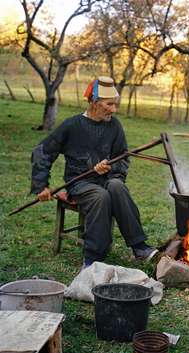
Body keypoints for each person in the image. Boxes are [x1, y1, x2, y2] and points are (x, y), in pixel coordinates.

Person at [31, 76, 158, 268]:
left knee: (117, 186)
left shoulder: (114, 126)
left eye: (115, 105)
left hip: (107, 178)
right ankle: (92, 258)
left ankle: (139, 246)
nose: (113, 110)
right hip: (79, 183)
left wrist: (109, 169)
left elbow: (122, 157)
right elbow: (42, 152)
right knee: (101, 196)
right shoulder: (72, 125)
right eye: (109, 104)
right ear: (94, 102)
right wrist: (41, 185)